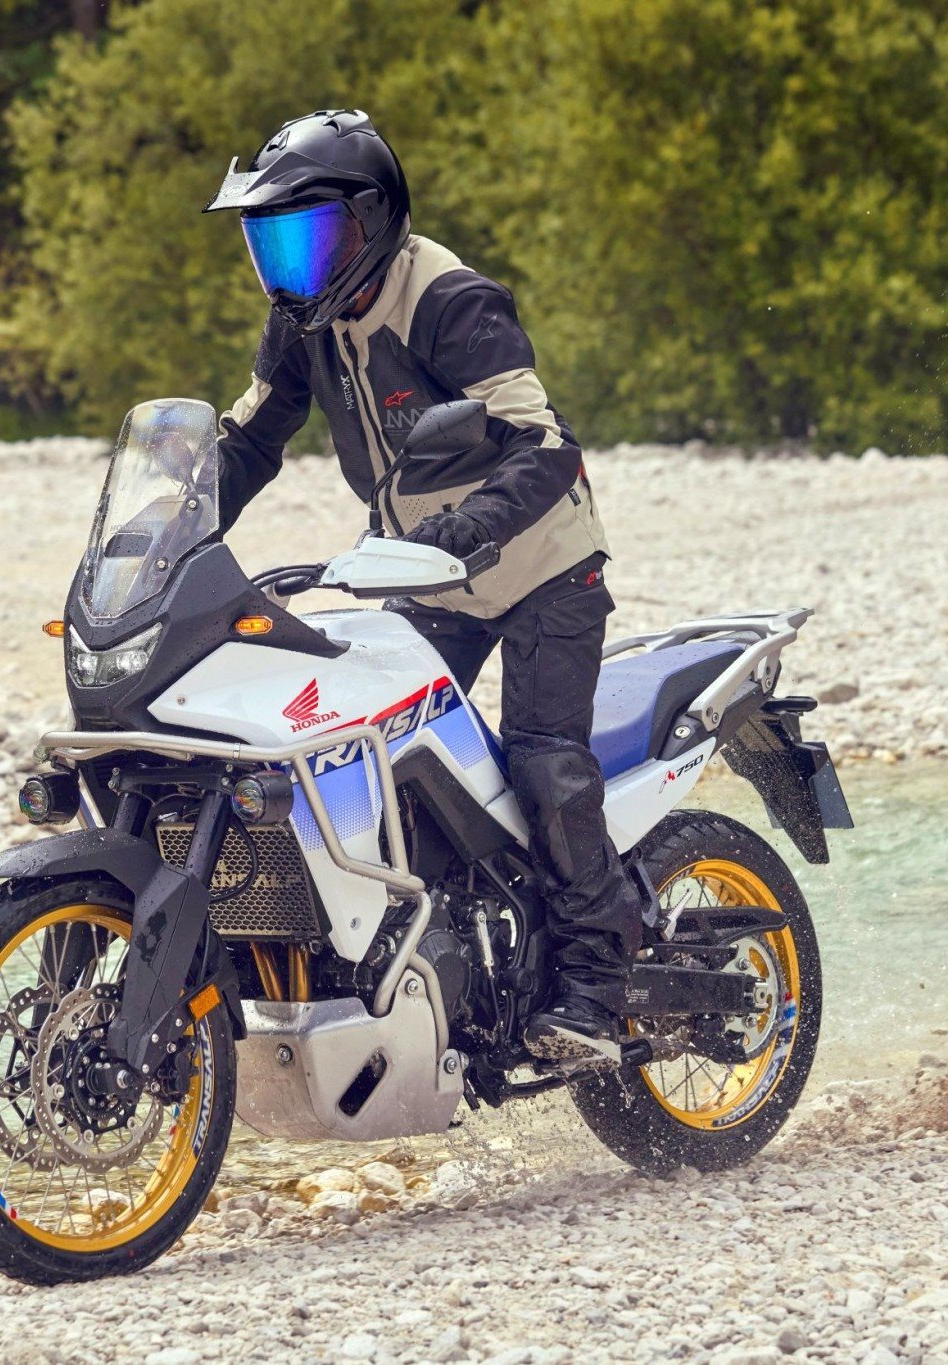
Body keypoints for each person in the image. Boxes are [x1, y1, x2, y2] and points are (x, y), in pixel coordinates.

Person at [204, 108, 647, 1061]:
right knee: (380, 759)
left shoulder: (449, 300)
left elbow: (544, 443)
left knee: (541, 761)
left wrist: (465, 530)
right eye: (272, 244)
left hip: (540, 567)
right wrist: (170, 524)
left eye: (309, 238)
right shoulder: (303, 323)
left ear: (370, 221)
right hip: (422, 573)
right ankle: (445, 965)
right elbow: (248, 440)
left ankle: (599, 983)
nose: (291, 267)